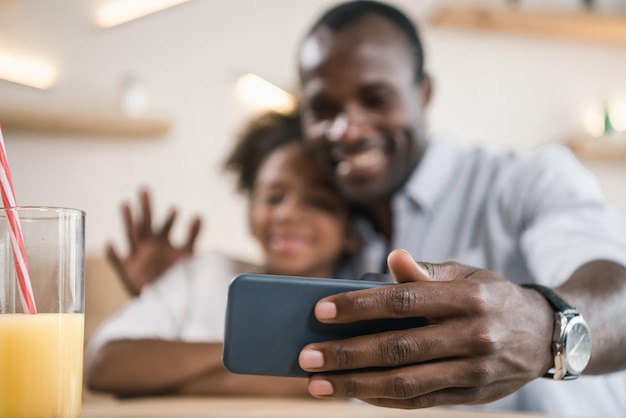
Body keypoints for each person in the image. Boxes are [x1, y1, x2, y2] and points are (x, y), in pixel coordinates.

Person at [293, 1, 626, 417]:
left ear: (424, 92)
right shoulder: (338, 226)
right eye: (323, 110)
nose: (348, 129)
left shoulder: (528, 179)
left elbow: (622, 299)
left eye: (376, 99)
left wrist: (543, 329)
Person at [85, 109, 359, 397]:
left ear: (352, 232)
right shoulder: (204, 272)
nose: (287, 213)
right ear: (251, 214)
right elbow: (106, 365)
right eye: (273, 197)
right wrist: (254, 354)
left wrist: (175, 379)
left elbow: (349, 389)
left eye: (319, 202)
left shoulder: (362, 304)